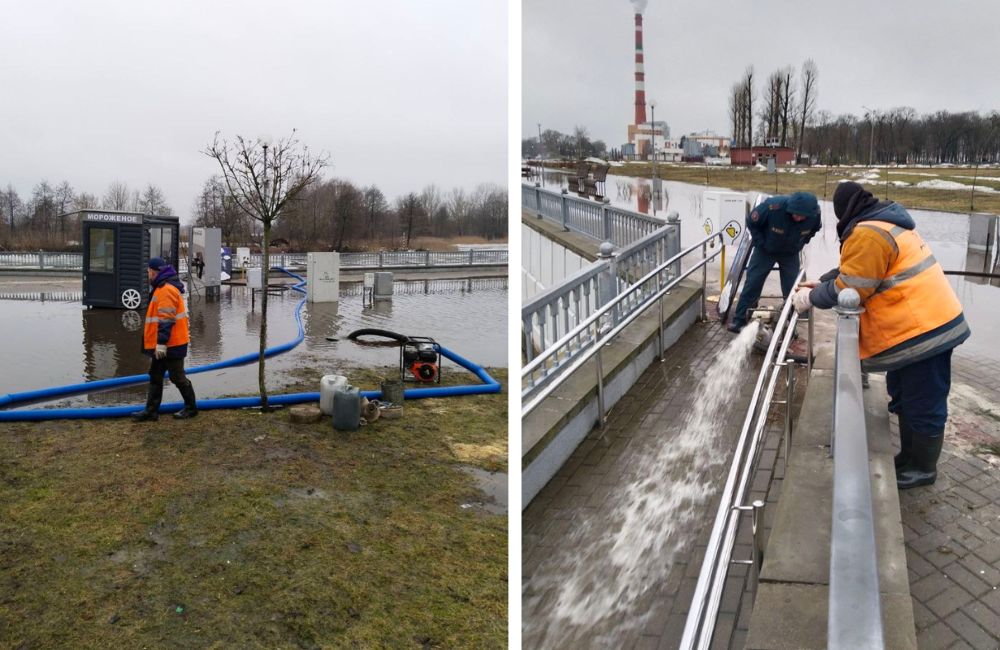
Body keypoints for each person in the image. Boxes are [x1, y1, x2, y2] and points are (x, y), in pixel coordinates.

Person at [791, 181, 970, 489]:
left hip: (924, 331)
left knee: (923, 400)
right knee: (903, 392)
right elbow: (857, 270)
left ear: (843, 213)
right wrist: (820, 282)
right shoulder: (882, 223)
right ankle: (909, 457)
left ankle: (923, 468)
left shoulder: (868, 233)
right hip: (920, 326)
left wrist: (811, 299)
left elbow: (853, 288)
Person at [727, 191, 822, 333]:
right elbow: (752, 222)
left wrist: (801, 243)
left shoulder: (814, 215)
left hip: (790, 253)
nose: (798, 218)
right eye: (796, 214)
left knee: (792, 289)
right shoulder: (773, 207)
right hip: (765, 251)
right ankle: (740, 320)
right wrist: (761, 243)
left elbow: (814, 230)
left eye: (802, 216)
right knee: (753, 283)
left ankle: (790, 324)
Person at [132, 257, 199, 421]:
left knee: (177, 377)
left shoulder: (165, 290)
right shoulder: (162, 288)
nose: (147, 274)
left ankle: (191, 408)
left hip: (171, 344)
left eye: (148, 271)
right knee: (155, 375)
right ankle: (151, 411)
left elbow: (166, 318)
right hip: (164, 343)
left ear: (153, 271)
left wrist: (161, 344)